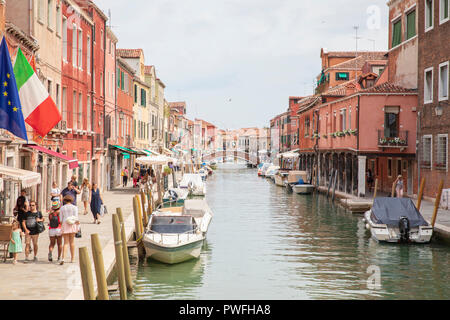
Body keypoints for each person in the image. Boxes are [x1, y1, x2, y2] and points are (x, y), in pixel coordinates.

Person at [60, 195, 80, 265]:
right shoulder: (75, 208)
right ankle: (72, 258)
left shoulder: (62, 208)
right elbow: (76, 217)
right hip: (72, 224)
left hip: (65, 224)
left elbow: (61, 219)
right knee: (72, 242)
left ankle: (63, 258)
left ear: (65, 200)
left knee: (65, 242)